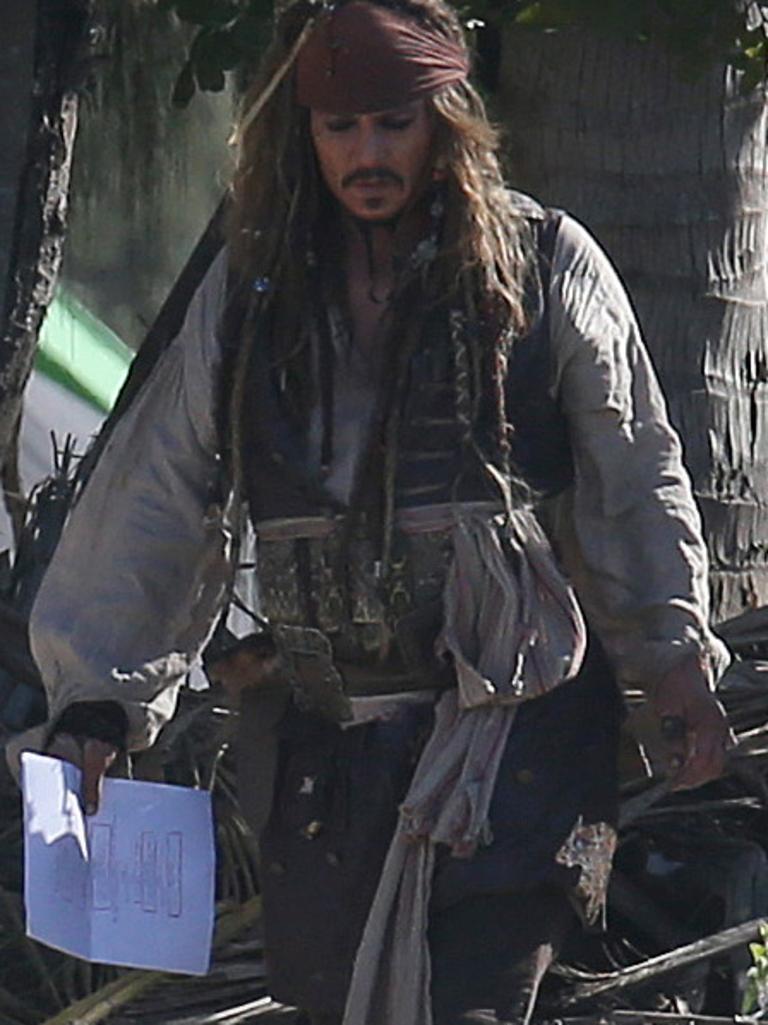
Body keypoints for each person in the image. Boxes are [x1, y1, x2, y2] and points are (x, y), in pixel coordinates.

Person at [8, 1, 735, 1022]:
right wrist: (97, 699)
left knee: (478, 1003)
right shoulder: (256, 292)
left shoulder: (544, 265)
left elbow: (634, 472)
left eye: (392, 123)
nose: (367, 152)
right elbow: (159, 496)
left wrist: (673, 658)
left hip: (512, 755)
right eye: (341, 127)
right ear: (305, 136)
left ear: (446, 121)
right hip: (330, 762)